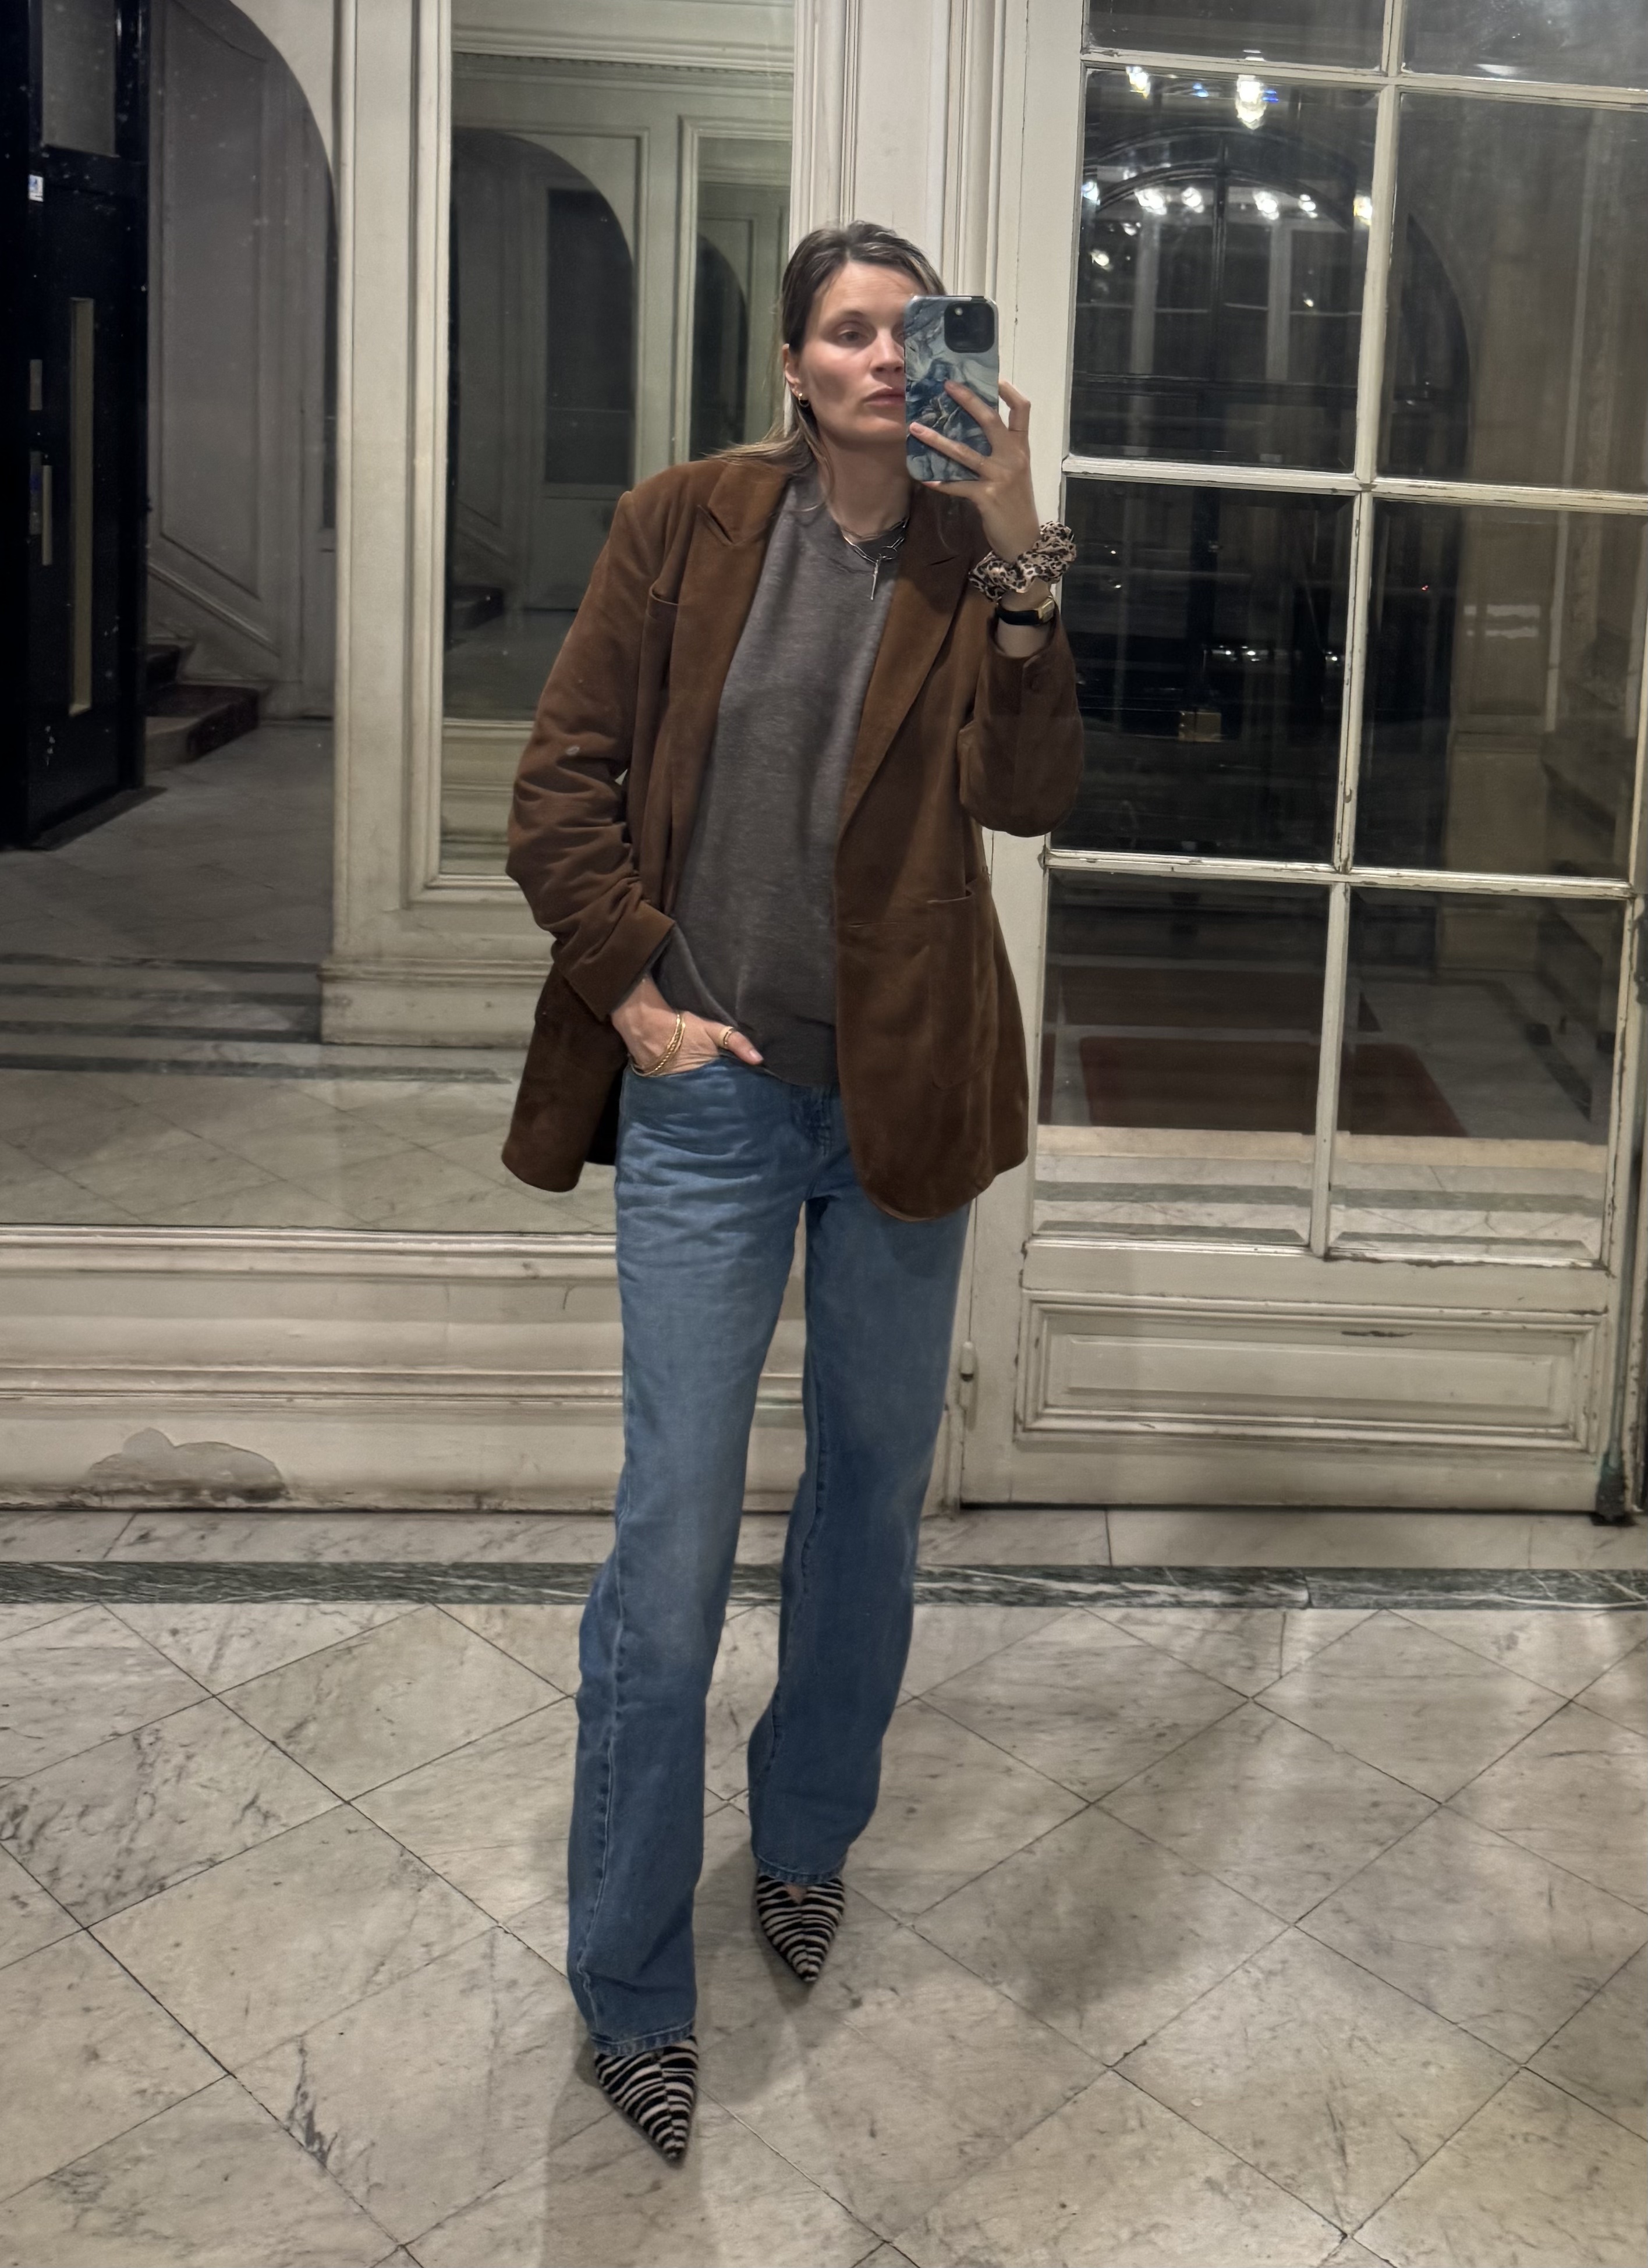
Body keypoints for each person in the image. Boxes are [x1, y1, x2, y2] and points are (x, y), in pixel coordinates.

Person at [502, 220, 1082, 2161]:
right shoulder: (685, 526)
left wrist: (1016, 547)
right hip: (717, 1099)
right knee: (668, 1548)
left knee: (866, 1509)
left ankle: (809, 1832)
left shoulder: (959, 545)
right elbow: (559, 784)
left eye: (914, 334)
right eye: (849, 331)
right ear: (790, 360)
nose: (882, 359)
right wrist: (640, 991)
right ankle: (632, 1983)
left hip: (905, 1097)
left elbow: (1031, 794)